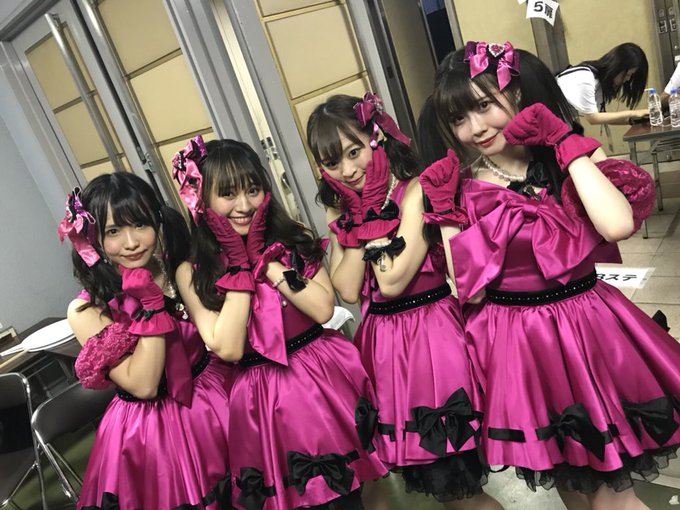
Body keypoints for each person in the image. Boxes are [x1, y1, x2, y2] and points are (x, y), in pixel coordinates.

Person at [422, 40, 680, 510]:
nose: (475, 128)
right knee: (570, 483)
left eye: (484, 105)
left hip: (586, 330)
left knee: (613, 497)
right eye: (459, 118)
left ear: (518, 93)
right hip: (522, 344)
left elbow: (617, 225)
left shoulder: (569, 158)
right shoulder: (464, 188)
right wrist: (444, 216)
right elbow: (467, 290)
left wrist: (563, 142)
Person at [307, 93, 503, 510]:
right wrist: (361, 215)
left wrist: (370, 219)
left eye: (355, 151)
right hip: (384, 349)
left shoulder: (414, 190)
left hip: (430, 338)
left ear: (377, 138)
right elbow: (346, 287)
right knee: (443, 491)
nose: (348, 170)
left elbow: (392, 279)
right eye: (332, 162)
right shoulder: (341, 210)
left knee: (464, 492)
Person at [173, 136, 387, 510]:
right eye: (228, 194)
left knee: (354, 493)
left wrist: (267, 263)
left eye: (253, 190)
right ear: (201, 200)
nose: (244, 206)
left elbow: (322, 308)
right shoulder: (192, 271)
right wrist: (240, 267)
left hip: (320, 378)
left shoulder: (291, 241)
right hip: (261, 398)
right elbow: (228, 347)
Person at [61, 172, 232, 509]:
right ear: (93, 239)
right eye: (113, 231)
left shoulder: (181, 271)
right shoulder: (88, 310)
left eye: (140, 224)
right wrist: (153, 306)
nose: (131, 242)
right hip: (149, 430)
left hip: (211, 398)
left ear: (157, 220)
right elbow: (143, 384)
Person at [556, 42, 649, 126]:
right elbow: (593, 118)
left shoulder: (597, 80)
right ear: (618, 66)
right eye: (628, 75)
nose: (628, 79)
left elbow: (601, 116)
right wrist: (634, 113)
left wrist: (633, 120)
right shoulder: (586, 78)